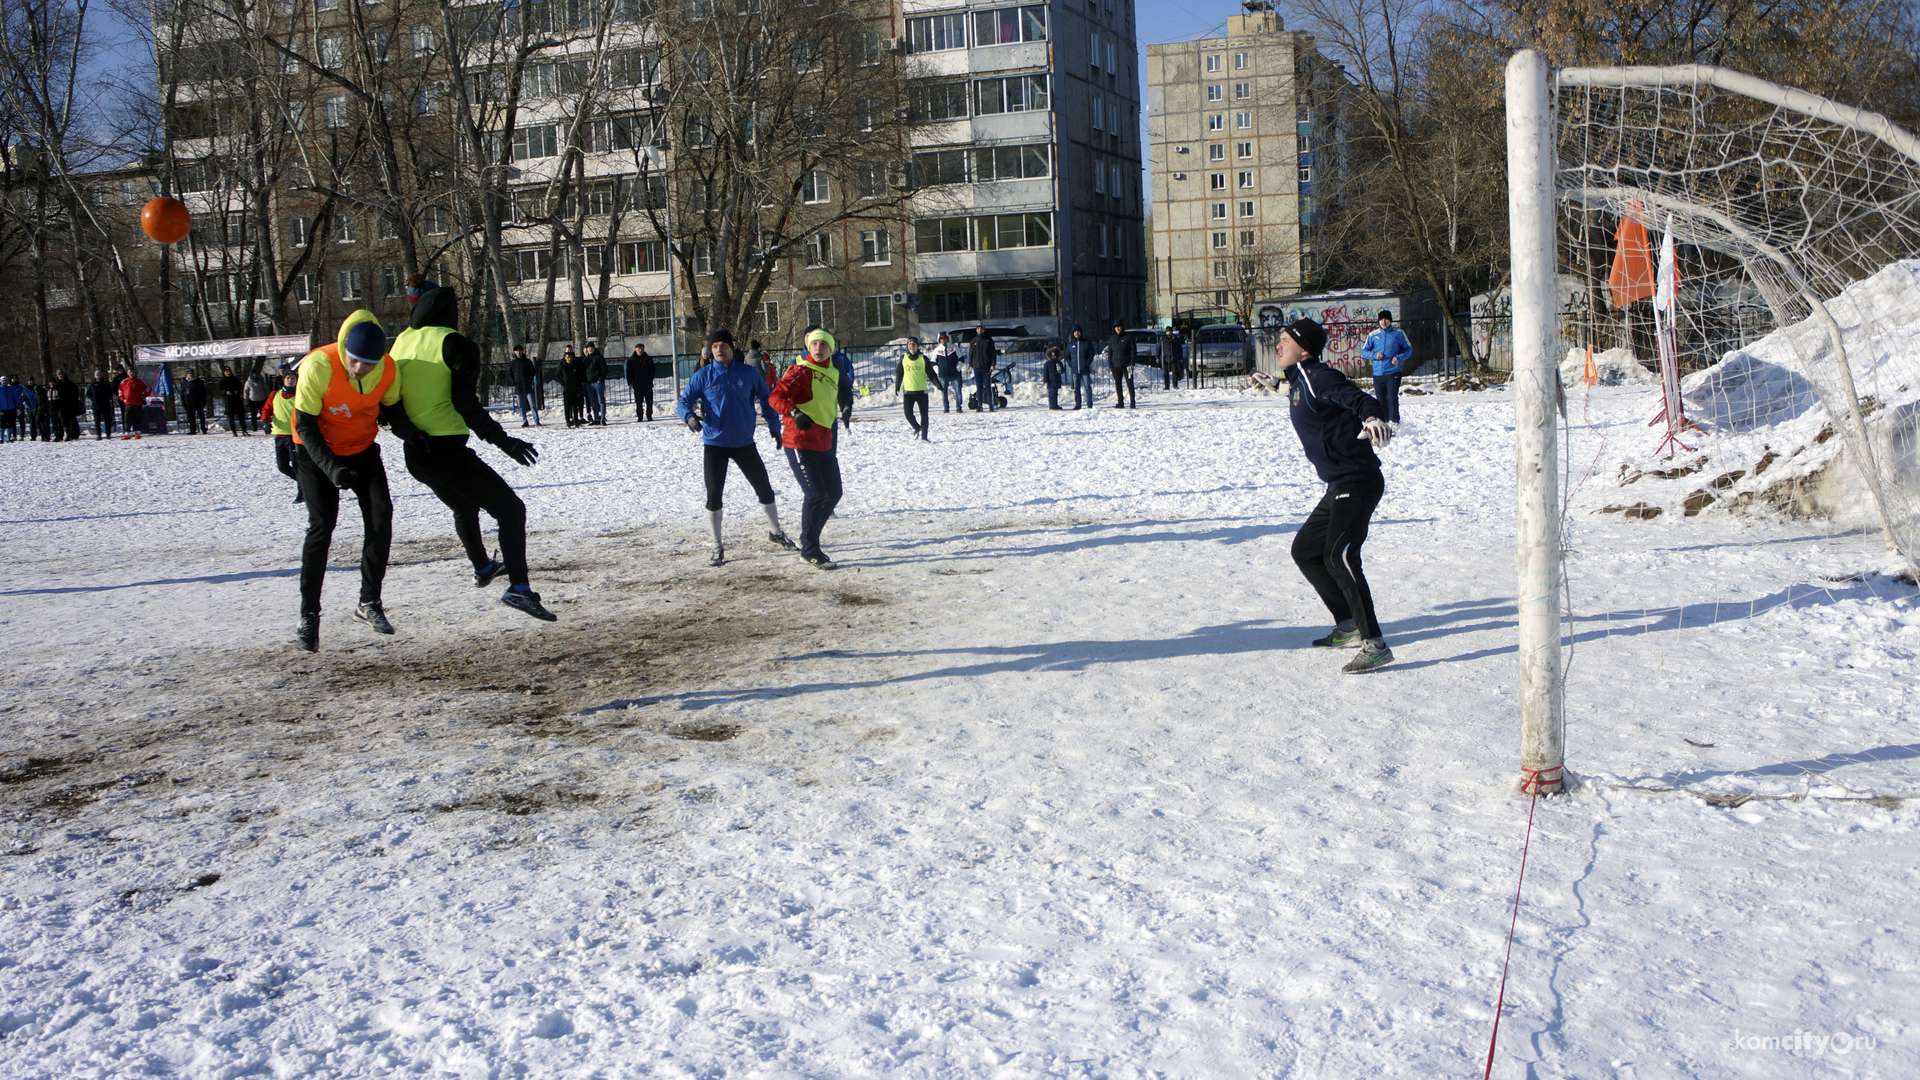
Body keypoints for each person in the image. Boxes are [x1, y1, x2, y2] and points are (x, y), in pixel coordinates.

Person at [388, 282, 555, 621]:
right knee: (511, 510)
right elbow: (465, 403)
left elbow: (388, 400)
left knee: (464, 506)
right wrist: (505, 442)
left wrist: (409, 433)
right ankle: (519, 589)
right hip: (446, 451)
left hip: (416, 454)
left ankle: (482, 567)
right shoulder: (458, 345)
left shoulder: (402, 341)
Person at [1276, 317, 1396, 674]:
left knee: (1339, 556)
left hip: (1357, 481)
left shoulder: (1319, 376)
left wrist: (1373, 416)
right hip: (1340, 484)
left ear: (1305, 348)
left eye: (1284, 339)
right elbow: (1312, 401)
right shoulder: (1300, 380)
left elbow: (1356, 398)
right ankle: (1348, 624)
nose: (1277, 345)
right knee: (1306, 551)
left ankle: (1374, 644)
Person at [290, 311, 402, 651]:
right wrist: (332, 468)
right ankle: (308, 614)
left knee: (381, 516)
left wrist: (421, 440)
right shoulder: (318, 365)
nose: (359, 370)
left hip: (362, 448)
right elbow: (305, 425)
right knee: (322, 524)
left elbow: (394, 413)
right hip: (314, 450)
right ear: (344, 352)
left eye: (367, 364)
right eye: (354, 362)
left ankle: (369, 602)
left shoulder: (388, 368)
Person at [677, 328, 793, 566]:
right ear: (711, 351)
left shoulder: (749, 373)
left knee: (764, 487)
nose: (719, 350)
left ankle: (776, 532)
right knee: (714, 494)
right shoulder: (703, 375)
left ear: (733, 348)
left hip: (743, 442)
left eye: (724, 346)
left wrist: (774, 427)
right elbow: (684, 400)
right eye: (715, 346)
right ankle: (717, 544)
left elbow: (767, 399)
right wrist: (689, 417)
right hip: (715, 443)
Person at [770, 328, 845, 569]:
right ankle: (810, 548)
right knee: (815, 494)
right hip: (799, 440)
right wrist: (793, 410)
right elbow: (775, 397)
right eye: (814, 344)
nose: (818, 349)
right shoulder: (800, 370)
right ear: (808, 347)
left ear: (831, 349)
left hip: (824, 440)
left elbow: (832, 400)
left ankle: (809, 539)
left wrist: (847, 404)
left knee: (833, 492)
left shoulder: (833, 371)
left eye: (824, 345)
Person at [1360, 309, 1411, 426]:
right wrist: (1374, 355)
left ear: (1390, 321)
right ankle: (1384, 423)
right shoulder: (1373, 335)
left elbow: (1408, 349)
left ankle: (1394, 423)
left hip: (1393, 371)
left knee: (1391, 398)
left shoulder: (1398, 333)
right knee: (1381, 400)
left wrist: (1399, 358)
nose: (1384, 322)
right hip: (1378, 373)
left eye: (1386, 319)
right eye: (1381, 320)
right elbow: (1364, 351)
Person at [261, 366, 303, 503]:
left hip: (294, 436)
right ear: (283, 380)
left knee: (297, 466)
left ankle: (302, 492)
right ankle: (308, 483)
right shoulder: (275, 394)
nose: (290, 381)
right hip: (279, 436)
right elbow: (266, 409)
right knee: (283, 467)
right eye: (288, 378)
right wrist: (265, 422)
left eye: (293, 378)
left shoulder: (300, 395)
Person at [895, 336, 939, 440]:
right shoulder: (903, 358)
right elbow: (899, 373)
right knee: (907, 414)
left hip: (921, 392)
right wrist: (897, 385)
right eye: (909, 344)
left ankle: (924, 437)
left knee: (924, 415)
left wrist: (938, 385)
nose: (911, 346)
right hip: (908, 392)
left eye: (913, 344)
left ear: (917, 346)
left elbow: (931, 374)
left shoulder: (923, 358)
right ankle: (917, 427)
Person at [930, 332, 964, 414]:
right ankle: (946, 408)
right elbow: (933, 362)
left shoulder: (954, 347)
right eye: (942, 339)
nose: (944, 340)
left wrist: (958, 368)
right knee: (943, 392)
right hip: (943, 375)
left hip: (955, 374)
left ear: (948, 339)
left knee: (958, 391)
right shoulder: (937, 350)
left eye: (945, 338)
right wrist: (937, 370)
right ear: (939, 340)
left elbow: (961, 358)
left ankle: (959, 407)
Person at [967, 324, 998, 412]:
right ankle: (979, 405)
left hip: (986, 367)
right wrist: (970, 366)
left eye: (981, 329)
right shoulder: (973, 341)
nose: (980, 330)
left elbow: (993, 353)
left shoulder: (988, 340)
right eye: (978, 329)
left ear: (984, 330)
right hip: (977, 367)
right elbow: (971, 354)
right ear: (976, 330)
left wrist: (992, 364)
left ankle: (990, 405)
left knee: (988, 387)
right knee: (979, 387)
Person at [508, 345, 540, 427]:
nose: (518, 352)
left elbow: (532, 372)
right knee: (521, 405)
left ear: (522, 351)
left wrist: (528, 380)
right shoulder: (513, 363)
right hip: (518, 386)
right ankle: (524, 421)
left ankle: (536, 420)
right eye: (516, 351)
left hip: (527, 386)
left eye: (519, 351)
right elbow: (509, 374)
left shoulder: (528, 362)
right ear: (515, 352)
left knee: (532, 404)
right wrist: (513, 382)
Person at [1065, 327, 1096, 410]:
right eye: (1075, 332)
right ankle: (1077, 404)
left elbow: (1091, 353)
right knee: (1076, 388)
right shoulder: (1070, 344)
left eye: (1078, 332)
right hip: (1075, 370)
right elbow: (1067, 355)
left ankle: (1089, 404)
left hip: (1085, 369)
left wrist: (1087, 363)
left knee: (1087, 387)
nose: (1076, 333)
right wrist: (1070, 363)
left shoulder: (1086, 342)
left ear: (1081, 333)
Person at [1107, 322, 1136, 409]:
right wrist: (1110, 364)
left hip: (1127, 365)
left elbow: (1133, 351)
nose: (1117, 329)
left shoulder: (1128, 337)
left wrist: (1132, 363)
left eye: (1119, 327)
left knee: (1130, 384)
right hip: (1115, 366)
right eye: (1116, 327)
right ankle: (1120, 402)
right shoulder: (1112, 339)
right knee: (1118, 384)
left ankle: (1132, 402)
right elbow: (1110, 352)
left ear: (1122, 327)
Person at [118, 367, 149, 439]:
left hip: (137, 403)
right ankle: (127, 433)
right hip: (128, 403)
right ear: (127, 373)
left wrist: (143, 396)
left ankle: (137, 433)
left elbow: (148, 388)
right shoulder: (124, 382)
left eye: (132, 372)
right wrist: (123, 399)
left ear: (135, 373)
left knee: (137, 418)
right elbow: (120, 391)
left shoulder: (140, 381)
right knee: (127, 418)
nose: (131, 373)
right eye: (129, 372)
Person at [627, 343, 656, 421]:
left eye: (642, 349)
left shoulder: (648, 359)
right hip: (637, 384)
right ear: (635, 350)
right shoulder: (631, 360)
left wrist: (650, 379)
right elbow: (629, 372)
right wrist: (630, 382)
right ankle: (640, 416)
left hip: (647, 384)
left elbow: (652, 370)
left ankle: (649, 415)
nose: (640, 350)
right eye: (638, 349)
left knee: (649, 401)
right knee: (639, 402)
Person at [582, 340, 607, 425]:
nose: (590, 349)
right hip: (589, 383)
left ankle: (602, 418)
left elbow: (604, 369)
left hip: (598, 382)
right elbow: (583, 371)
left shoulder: (599, 358)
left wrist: (600, 378)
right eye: (589, 348)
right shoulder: (586, 360)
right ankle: (596, 418)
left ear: (594, 348)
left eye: (592, 348)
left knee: (601, 401)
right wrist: (585, 381)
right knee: (593, 402)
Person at [559, 346, 585, 427]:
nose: (569, 359)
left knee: (575, 406)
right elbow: (557, 376)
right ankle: (568, 420)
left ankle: (576, 421)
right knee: (567, 406)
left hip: (575, 389)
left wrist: (579, 386)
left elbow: (580, 376)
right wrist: (564, 384)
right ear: (565, 358)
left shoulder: (576, 366)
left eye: (570, 357)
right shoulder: (563, 367)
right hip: (567, 390)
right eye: (567, 357)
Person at [51, 370, 80, 441]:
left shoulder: (70, 384)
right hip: (60, 406)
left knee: (72, 420)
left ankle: (73, 434)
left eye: (61, 374)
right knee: (61, 421)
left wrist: (74, 402)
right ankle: (60, 435)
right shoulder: (56, 384)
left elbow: (75, 393)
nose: (60, 375)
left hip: (70, 405)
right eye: (59, 374)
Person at [217, 366, 246, 435]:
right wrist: (225, 392)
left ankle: (244, 430)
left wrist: (237, 391)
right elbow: (219, 391)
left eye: (229, 371)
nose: (228, 373)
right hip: (228, 401)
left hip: (237, 400)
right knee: (230, 417)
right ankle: (234, 431)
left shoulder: (235, 379)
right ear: (224, 373)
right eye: (226, 372)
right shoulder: (222, 381)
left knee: (241, 416)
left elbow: (241, 387)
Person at [87, 370, 115, 440]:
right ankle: (98, 434)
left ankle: (108, 434)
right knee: (97, 421)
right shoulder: (92, 385)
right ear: (95, 376)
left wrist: (107, 399)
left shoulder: (106, 384)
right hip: (96, 406)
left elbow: (111, 393)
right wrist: (93, 399)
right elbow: (88, 394)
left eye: (99, 375)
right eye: (97, 375)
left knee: (107, 420)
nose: (98, 376)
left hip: (105, 405)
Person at [180, 369, 209, 434]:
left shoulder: (199, 382)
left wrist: (204, 402)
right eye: (189, 373)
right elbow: (182, 393)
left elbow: (204, 393)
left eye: (192, 373)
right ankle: (193, 430)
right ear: (187, 374)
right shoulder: (185, 382)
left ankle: (203, 429)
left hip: (198, 402)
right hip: (189, 403)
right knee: (191, 417)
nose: (190, 375)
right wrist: (184, 403)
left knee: (201, 416)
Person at [244, 365, 269, 434]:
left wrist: (267, 399)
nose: (254, 375)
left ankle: (265, 426)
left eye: (255, 374)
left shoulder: (261, 381)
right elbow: (246, 392)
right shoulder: (248, 382)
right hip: (253, 400)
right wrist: (246, 402)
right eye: (253, 374)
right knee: (253, 415)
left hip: (262, 399)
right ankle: (255, 427)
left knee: (263, 414)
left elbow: (266, 389)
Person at [1043, 346, 1066, 410]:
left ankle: (1055, 404)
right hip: (1050, 381)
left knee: (1055, 393)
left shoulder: (1059, 363)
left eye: (1054, 356)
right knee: (1051, 394)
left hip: (1057, 381)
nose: (1053, 357)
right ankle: (1051, 405)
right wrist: (1045, 381)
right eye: (1052, 356)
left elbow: (1063, 371)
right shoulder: (1047, 364)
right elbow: (1045, 373)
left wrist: (1061, 369)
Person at [0, 376, 20, 443]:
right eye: (3, 381)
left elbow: (15, 398)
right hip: (2, 409)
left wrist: (17, 407)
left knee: (10, 424)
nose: (4, 382)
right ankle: (1, 438)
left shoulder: (11, 389)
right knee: (1, 424)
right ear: (1, 382)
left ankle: (9, 438)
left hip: (11, 409)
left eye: (5, 380)